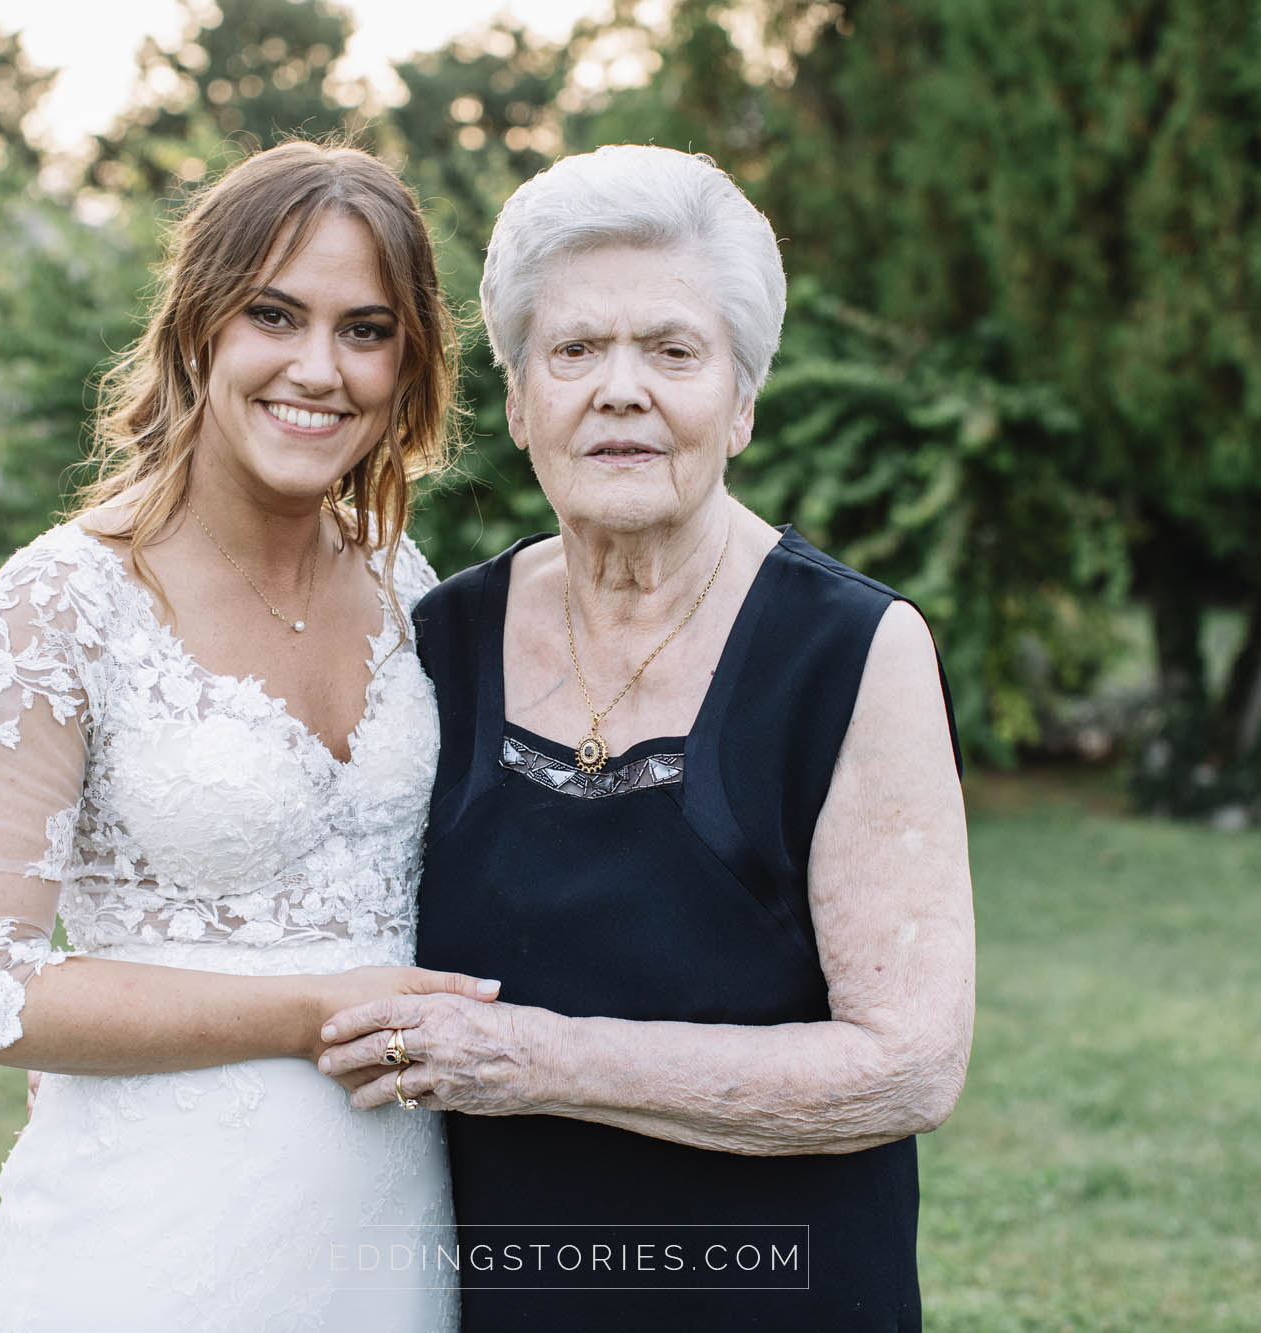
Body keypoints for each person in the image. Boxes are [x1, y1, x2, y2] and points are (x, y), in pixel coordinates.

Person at [318, 144, 975, 1330]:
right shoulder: (437, 639)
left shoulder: (852, 650)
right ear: (520, 402)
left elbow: (908, 1064)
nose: (619, 389)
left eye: (671, 351)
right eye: (573, 352)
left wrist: (536, 1062)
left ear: (739, 401)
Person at [0, 140, 493, 1331]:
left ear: (408, 363)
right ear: (197, 330)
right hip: (152, 1247)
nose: (318, 370)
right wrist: (309, 1009)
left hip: (390, 1241)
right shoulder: (61, 604)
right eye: (274, 315)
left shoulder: (400, 582)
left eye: (366, 329)